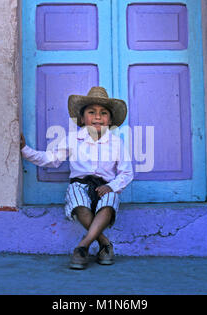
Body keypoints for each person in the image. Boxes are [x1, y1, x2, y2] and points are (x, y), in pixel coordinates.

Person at [20, 87, 133, 270]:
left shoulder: (116, 143)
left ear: (110, 120)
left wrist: (112, 186)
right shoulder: (73, 139)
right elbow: (51, 159)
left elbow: (127, 172)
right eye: (91, 112)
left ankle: (82, 247)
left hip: (106, 186)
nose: (98, 117)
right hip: (79, 185)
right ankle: (104, 243)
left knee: (110, 201)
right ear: (82, 119)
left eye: (103, 113)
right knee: (79, 203)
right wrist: (25, 150)